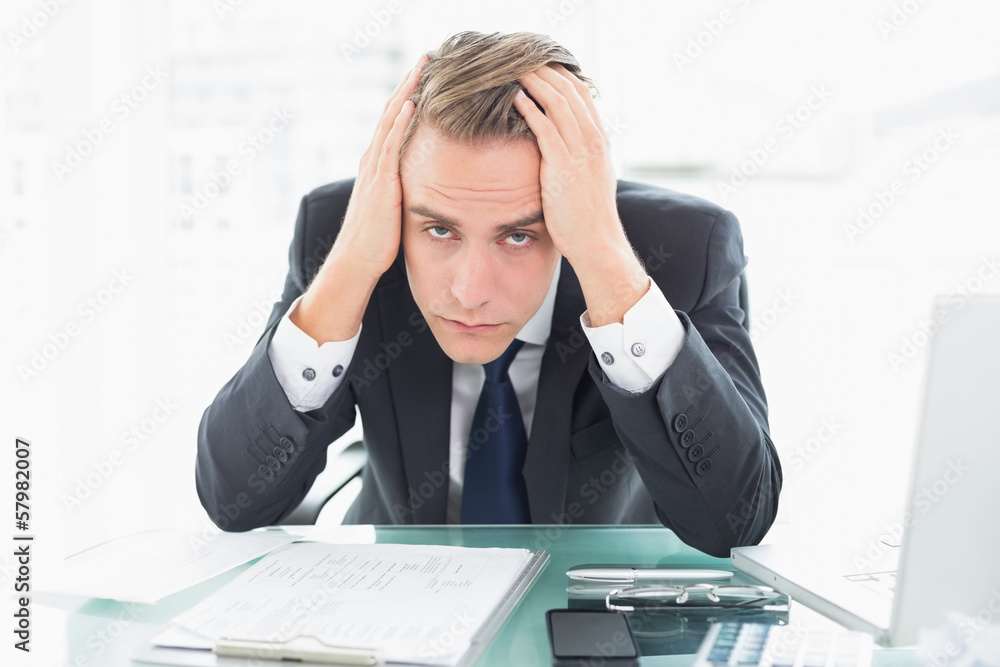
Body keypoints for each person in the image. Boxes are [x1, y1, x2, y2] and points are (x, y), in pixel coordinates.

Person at [195, 31, 781, 557]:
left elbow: (736, 519)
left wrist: (605, 258)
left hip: (598, 605)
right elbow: (233, 502)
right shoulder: (349, 236)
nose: (470, 292)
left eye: (520, 235)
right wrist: (350, 267)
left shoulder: (681, 249)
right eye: (440, 229)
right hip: (396, 597)